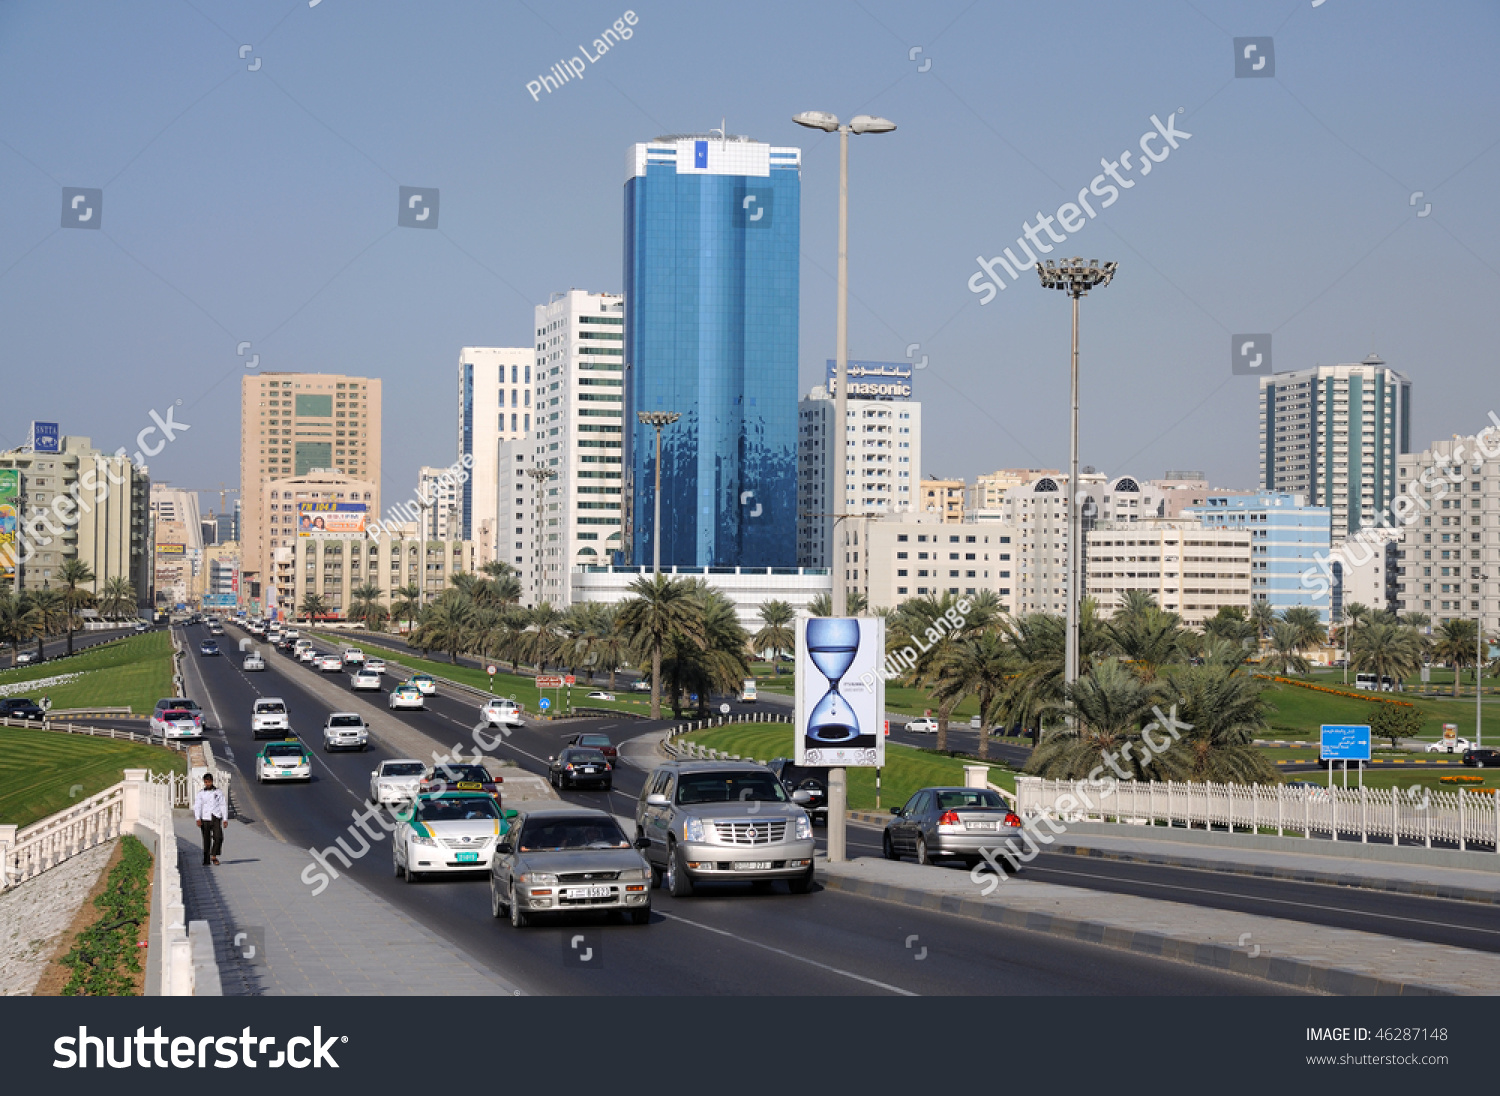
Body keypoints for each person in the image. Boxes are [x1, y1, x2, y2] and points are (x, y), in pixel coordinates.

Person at [193, 773, 229, 866]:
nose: (207, 784)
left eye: (209, 782)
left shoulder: (218, 792)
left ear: (212, 781)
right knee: (206, 839)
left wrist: (225, 819)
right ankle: (206, 859)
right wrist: (198, 818)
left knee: (218, 837)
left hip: (216, 816)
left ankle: (213, 855)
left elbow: (223, 805)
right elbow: (197, 806)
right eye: (206, 782)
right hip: (205, 818)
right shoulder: (201, 794)